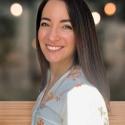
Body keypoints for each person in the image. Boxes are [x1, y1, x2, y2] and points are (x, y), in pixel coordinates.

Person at [32, 0, 110, 125]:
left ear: (82, 34)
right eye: (45, 24)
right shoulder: (51, 86)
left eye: (66, 26)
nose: (52, 36)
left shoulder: (81, 95)